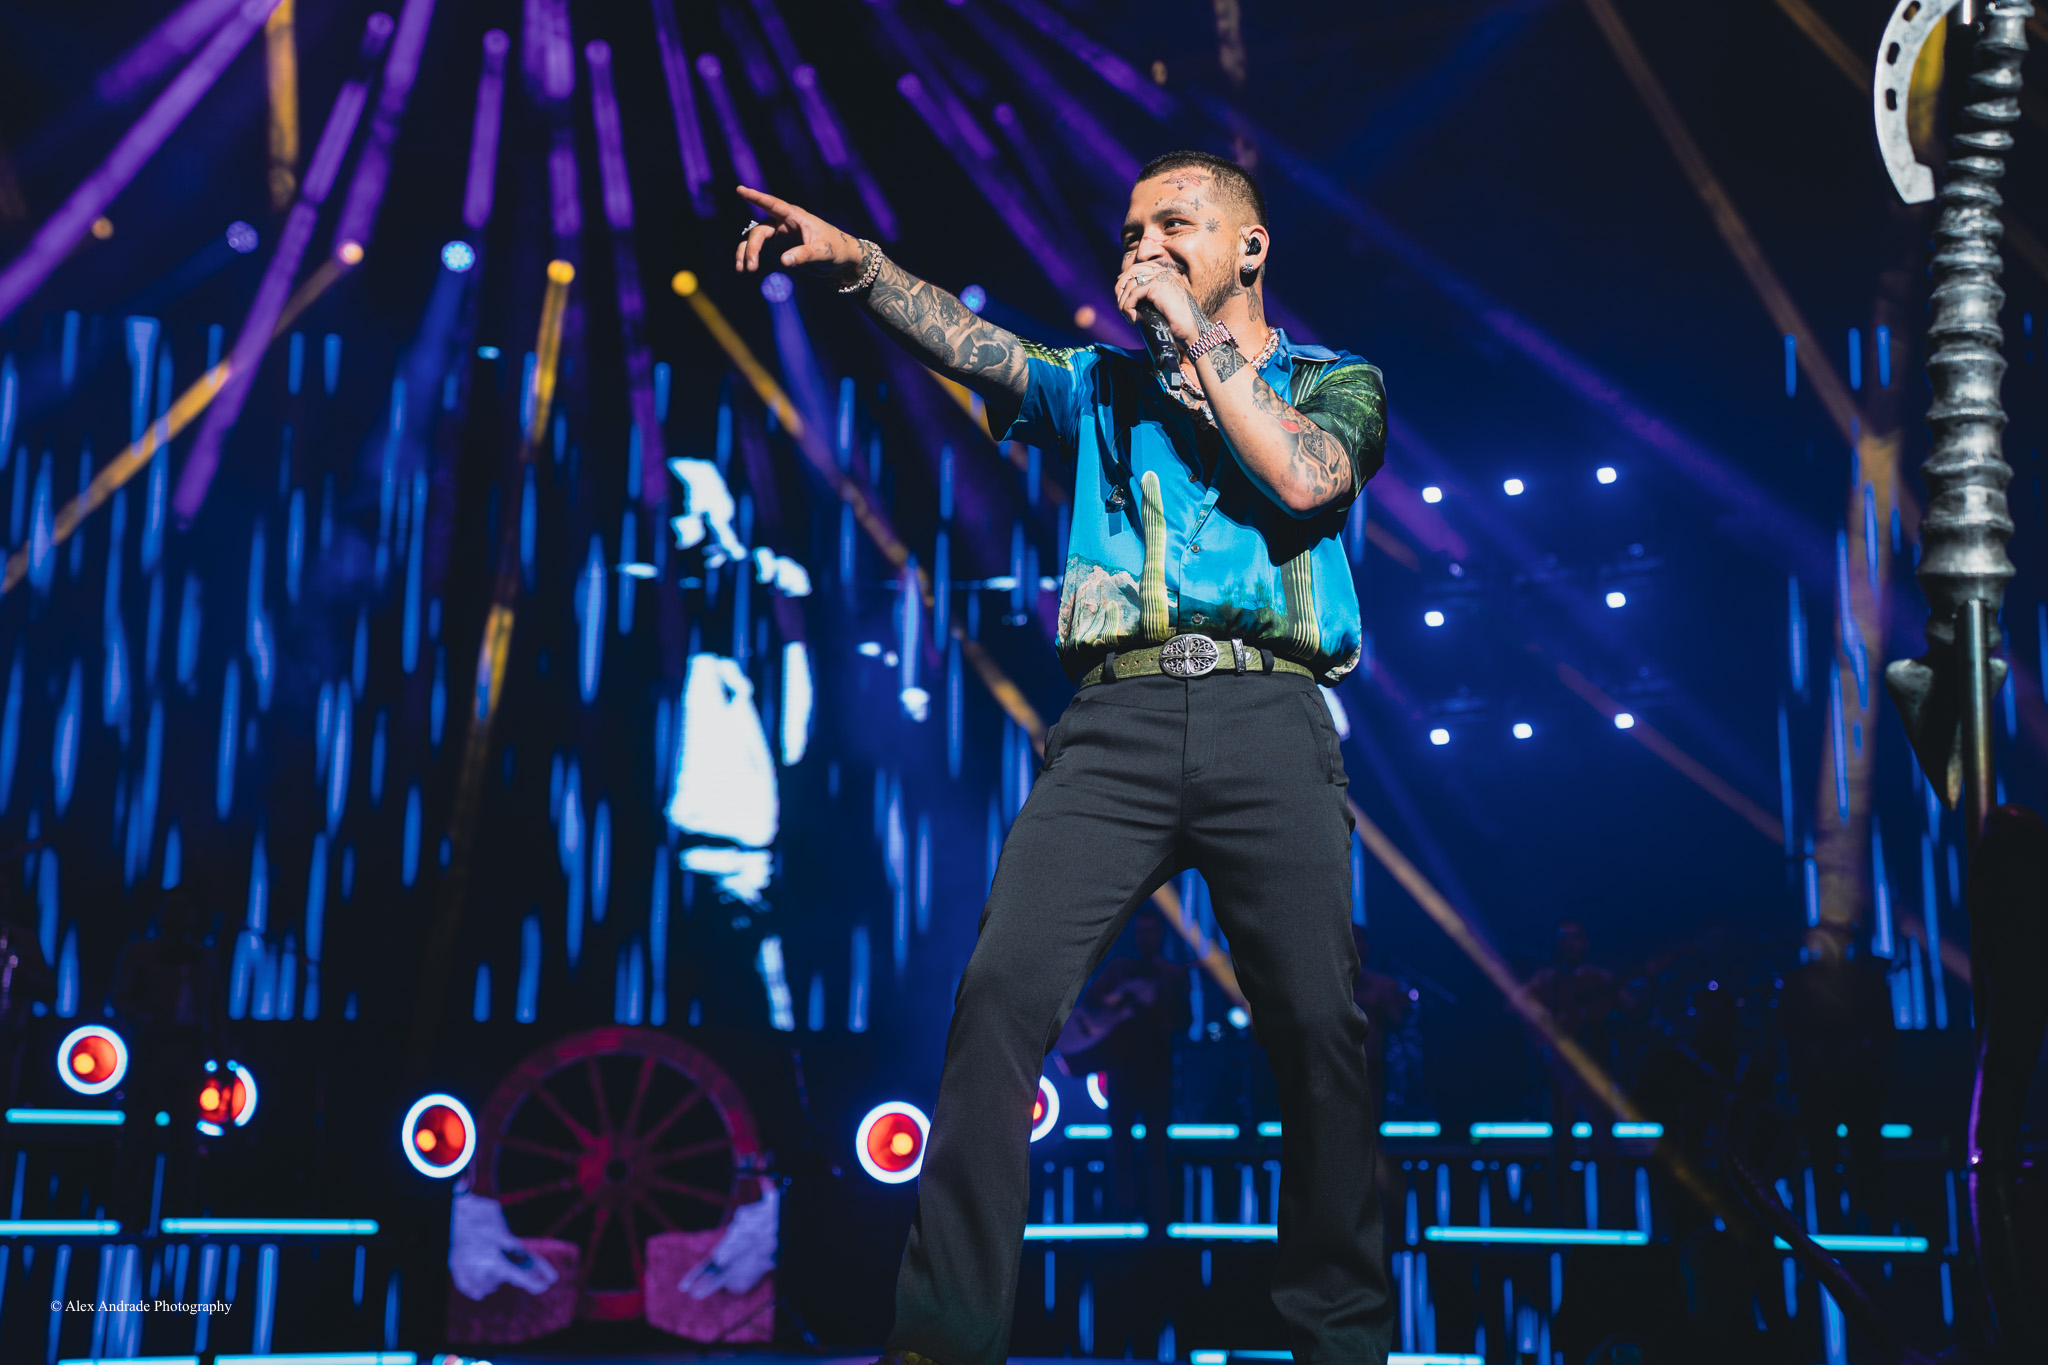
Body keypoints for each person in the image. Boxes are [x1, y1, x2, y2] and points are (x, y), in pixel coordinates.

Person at [737, 148, 1391, 1364]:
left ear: (1248, 247)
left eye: (1173, 223)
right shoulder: (1093, 389)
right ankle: (943, 1339)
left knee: (1317, 1029)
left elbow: (1304, 485)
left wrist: (1193, 335)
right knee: (998, 998)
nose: (1142, 246)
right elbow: (975, 349)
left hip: (1268, 715)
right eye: (1131, 230)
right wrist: (857, 265)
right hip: (1112, 727)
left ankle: (1338, 1341)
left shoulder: (1332, 380)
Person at [1061, 908, 1190, 1232]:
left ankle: (1158, 1221)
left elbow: (1185, 1023)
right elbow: (1088, 1004)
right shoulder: (1119, 970)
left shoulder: (1172, 975)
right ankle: (1124, 1217)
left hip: (1157, 1072)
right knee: (1120, 1145)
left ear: (1160, 936)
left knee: (1157, 1146)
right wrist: (1117, 1002)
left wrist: (1159, 1007)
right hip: (1121, 1070)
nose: (1146, 938)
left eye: (1152, 932)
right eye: (1142, 932)